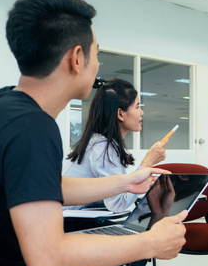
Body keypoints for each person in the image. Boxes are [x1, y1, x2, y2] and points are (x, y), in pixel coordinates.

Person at [0, 0, 187, 266]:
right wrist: (151, 242)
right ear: (77, 58)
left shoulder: (1, 106)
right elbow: (48, 260)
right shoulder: (33, 127)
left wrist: (125, 181)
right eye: (96, 54)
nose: (97, 66)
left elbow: (45, 186)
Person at [63, 78, 167, 212]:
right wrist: (148, 162)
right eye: (137, 106)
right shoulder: (102, 147)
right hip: (70, 222)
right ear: (120, 114)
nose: (142, 112)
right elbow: (118, 204)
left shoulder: (100, 142)